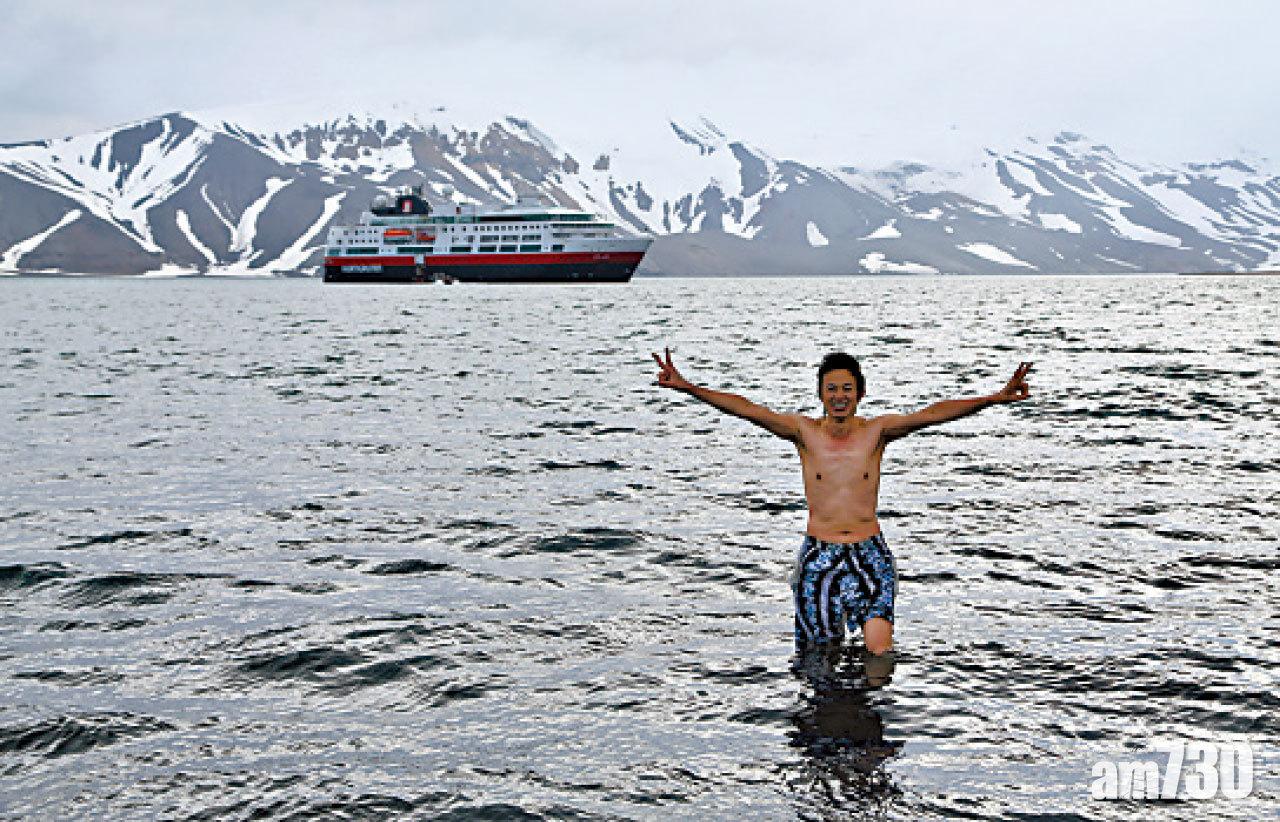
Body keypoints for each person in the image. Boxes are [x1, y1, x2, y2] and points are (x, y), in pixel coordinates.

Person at [650, 349, 1033, 657]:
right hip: (820, 556)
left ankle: (873, 722)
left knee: (880, 652)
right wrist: (688, 387)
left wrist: (994, 398)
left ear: (860, 394)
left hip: (870, 555)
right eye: (831, 389)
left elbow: (932, 415)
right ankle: (829, 725)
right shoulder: (803, 432)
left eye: (847, 389)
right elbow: (746, 409)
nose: (839, 396)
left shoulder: (877, 432)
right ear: (820, 394)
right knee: (820, 657)